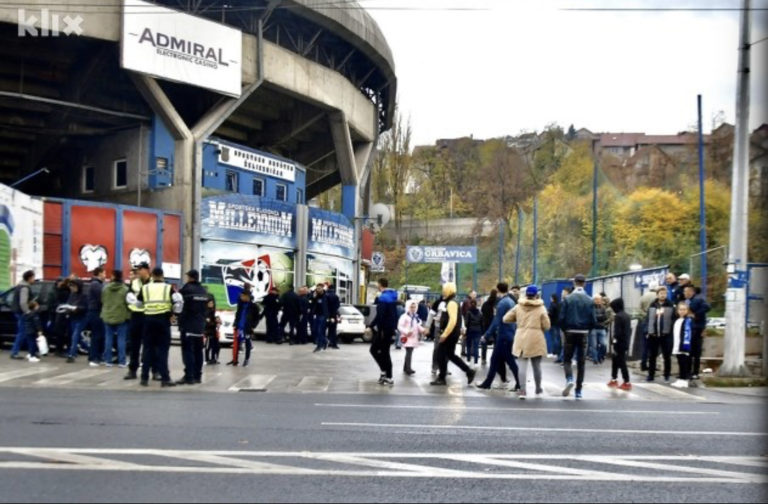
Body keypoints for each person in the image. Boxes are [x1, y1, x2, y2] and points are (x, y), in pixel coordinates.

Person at [138, 267, 183, 387]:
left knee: (147, 350)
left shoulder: (145, 288)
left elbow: (138, 303)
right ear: (163, 275)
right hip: (163, 321)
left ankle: (144, 378)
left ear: (152, 275)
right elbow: (178, 304)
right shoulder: (168, 288)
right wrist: (173, 313)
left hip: (148, 320)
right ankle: (165, 379)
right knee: (163, 350)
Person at [503, 285, 550, 399]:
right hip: (536, 339)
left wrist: (517, 320)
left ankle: (522, 391)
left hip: (521, 338)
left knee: (522, 366)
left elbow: (505, 318)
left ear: (526, 294)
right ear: (536, 295)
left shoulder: (518, 307)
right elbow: (547, 326)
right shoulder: (541, 308)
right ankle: (538, 389)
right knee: (536, 366)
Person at [558, 274, 597, 399]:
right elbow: (593, 320)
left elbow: (561, 318)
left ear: (574, 283)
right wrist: (588, 330)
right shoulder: (590, 300)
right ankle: (578, 391)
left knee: (567, 359)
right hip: (583, 333)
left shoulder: (568, 299)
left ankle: (569, 378)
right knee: (581, 363)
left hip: (570, 331)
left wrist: (564, 330)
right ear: (584, 284)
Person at [430, 282, 476, 386]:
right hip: (452, 334)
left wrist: (444, 334)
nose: (443, 291)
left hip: (450, 334)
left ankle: (442, 377)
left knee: (441, 354)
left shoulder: (451, 303)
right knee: (450, 355)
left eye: (444, 289)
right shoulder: (452, 302)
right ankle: (468, 371)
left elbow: (452, 320)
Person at [475, 282, 519, 390]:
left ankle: (519, 383)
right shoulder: (511, 302)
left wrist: (486, 335)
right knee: (495, 360)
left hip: (503, 336)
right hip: (509, 334)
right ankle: (487, 383)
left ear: (498, 290)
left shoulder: (502, 303)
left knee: (509, 361)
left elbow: (496, 321)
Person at [177, 270, 209, 385]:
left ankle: (189, 376)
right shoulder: (204, 291)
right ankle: (198, 376)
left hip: (188, 326)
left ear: (190, 278)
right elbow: (207, 308)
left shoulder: (186, 290)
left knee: (188, 352)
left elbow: (178, 305)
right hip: (200, 327)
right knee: (198, 352)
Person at [124, 264, 153, 380]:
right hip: (136, 316)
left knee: (150, 345)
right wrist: (131, 299)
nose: (137, 272)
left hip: (149, 315)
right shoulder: (135, 282)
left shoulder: (153, 283)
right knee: (134, 345)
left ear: (146, 270)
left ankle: (153, 370)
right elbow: (129, 295)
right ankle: (132, 370)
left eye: (139, 270)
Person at [369, 277, 398, 385]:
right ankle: (386, 375)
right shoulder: (392, 296)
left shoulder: (383, 298)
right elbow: (394, 315)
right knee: (385, 352)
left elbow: (380, 315)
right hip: (390, 329)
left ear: (380, 285)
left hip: (383, 329)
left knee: (374, 350)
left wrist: (374, 327)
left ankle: (386, 374)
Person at [100, 270, 130, 368]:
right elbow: (128, 303)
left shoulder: (105, 288)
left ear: (113, 276)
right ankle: (122, 361)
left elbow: (102, 300)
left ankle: (108, 360)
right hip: (121, 316)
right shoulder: (125, 289)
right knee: (121, 339)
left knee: (108, 338)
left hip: (107, 316)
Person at [646, 285, 675, 383]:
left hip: (665, 334)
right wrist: (648, 331)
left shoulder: (670, 304)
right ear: (657, 294)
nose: (663, 295)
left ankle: (667, 374)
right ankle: (651, 374)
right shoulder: (653, 304)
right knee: (652, 356)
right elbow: (648, 318)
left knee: (667, 356)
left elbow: (673, 318)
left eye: (664, 294)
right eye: (661, 293)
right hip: (653, 334)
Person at [684, 284, 711, 382]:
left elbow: (707, 307)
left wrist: (695, 314)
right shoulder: (686, 301)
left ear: (691, 292)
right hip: (689, 329)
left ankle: (695, 372)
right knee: (688, 352)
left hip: (697, 329)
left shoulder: (698, 300)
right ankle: (687, 372)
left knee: (696, 352)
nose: (684, 293)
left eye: (686, 291)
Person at [228, 289, 260, 366]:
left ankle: (247, 359)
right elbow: (238, 314)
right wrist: (235, 323)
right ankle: (235, 360)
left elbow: (257, 318)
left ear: (247, 297)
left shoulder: (254, 306)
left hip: (247, 328)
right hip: (239, 327)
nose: (241, 297)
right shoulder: (240, 304)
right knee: (236, 344)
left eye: (242, 296)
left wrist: (253, 326)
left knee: (247, 343)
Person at [9, 270, 36, 361]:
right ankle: (15, 352)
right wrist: (27, 311)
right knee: (23, 332)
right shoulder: (25, 288)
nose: (34, 280)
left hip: (18, 311)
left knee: (24, 332)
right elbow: (23, 302)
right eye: (33, 278)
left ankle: (31, 351)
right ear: (29, 278)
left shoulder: (20, 286)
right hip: (22, 313)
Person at [607, 297, 632, 391]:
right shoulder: (626, 315)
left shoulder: (618, 316)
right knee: (616, 361)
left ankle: (626, 381)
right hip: (625, 341)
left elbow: (617, 332)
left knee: (621, 362)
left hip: (619, 343)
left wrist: (613, 342)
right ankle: (614, 378)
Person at [85, 266, 106, 366]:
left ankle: (97, 355)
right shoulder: (96, 284)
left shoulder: (97, 284)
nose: (105, 276)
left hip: (96, 311)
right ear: (100, 273)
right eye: (104, 273)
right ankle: (93, 357)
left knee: (99, 335)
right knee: (97, 335)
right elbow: (103, 296)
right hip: (95, 311)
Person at [398, 299, 426, 375]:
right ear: (408, 307)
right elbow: (400, 326)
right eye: (411, 307)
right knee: (409, 352)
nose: (413, 309)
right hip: (407, 337)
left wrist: (423, 330)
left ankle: (406, 367)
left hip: (413, 337)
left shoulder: (415, 316)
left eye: (414, 307)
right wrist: (407, 331)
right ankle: (408, 368)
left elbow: (417, 326)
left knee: (409, 352)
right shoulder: (404, 316)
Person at [63, 279, 89, 363]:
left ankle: (72, 354)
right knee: (77, 337)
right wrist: (67, 309)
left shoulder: (84, 295)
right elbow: (68, 303)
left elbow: (85, 307)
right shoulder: (72, 295)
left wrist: (77, 309)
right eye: (71, 286)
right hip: (73, 317)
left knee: (75, 335)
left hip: (81, 318)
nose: (72, 288)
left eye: (74, 286)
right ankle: (90, 349)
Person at [671, 302, 694, 388]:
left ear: (687, 310)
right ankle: (681, 378)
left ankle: (684, 379)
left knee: (684, 362)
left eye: (684, 309)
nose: (682, 311)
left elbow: (688, 334)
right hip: (677, 344)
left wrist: (685, 345)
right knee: (680, 362)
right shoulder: (677, 320)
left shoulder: (688, 321)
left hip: (684, 345)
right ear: (677, 310)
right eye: (680, 309)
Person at [637, 283, 659, 372]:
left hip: (645, 322)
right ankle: (652, 364)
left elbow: (639, 309)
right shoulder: (657, 297)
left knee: (645, 345)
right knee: (654, 346)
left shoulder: (643, 296)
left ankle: (643, 364)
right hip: (655, 322)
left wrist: (646, 315)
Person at [51, 277, 72, 357]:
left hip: (59, 314)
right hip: (63, 314)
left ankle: (59, 350)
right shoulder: (66, 292)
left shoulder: (60, 290)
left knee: (60, 333)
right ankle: (60, 350)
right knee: (62, 333)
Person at [589, 294, 609, 365]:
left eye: (599, 299)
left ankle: (600, 356)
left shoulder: (603, 308)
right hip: (593, 328)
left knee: (604, 344)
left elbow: (605, 317)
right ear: (594, 300)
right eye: (596, 299)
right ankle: (595, 359)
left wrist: (597, 318)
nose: (598, 301)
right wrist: (599, 318)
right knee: (594, 345)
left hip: (602, 328)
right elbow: (592, 317)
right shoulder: (591, 307)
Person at [480, 289, 497, 366]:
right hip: (495, 326)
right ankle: (494, 358)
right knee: (496, 343)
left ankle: (483, 358)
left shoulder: (485, 304)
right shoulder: (497, 303)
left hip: (486, 325)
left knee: (484, 342)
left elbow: (482, 313)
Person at [311, 284, 329, 352]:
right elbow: (311, 303)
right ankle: (325, 341)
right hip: (317, 315)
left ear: (322, 288)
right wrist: (313, 297)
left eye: (319, 288)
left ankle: (319, 346)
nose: (318, 289)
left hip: (323, 315)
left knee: (320, 331)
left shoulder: (326, 296)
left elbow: (330, 306)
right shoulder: (316, 296)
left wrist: (329, 316)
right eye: (317, 288)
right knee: (315, 330)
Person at [464, 299, 483, 365]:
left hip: (470, 331)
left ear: (470, 304)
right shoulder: (480, 312)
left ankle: (468, 359)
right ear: (476, 304)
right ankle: (476, 361)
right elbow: (482, 323)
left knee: (469, 346)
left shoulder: (468, 312)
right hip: (478, 331)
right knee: (476, 346)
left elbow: (466, 323)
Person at [204, 296, 221, 365]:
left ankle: (213, 358)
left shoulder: (213, 311)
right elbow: (208, 323)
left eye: (212, 303)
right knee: (208, 346)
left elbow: (214, 320)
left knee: (216, 346)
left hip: (214, 331)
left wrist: (218, 321)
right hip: (209, 332)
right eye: (210, 303)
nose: (211, 304)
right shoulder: (206, 312)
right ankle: (207, 359)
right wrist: (215, 323)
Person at [325, 284, 341, 349]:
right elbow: (338, 306)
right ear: (333, 289)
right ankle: (333, 344)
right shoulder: (336, 296)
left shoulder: (326, 295)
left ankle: (326, 342)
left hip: (326, 315)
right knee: (333, 330)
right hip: (333, 315)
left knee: (325, 329)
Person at [547, 293, 561, 360]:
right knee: (557, 339)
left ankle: (553, 352)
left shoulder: (552, 305)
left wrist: (547, 312)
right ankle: (558, 353)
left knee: (553, 339)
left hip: (552, 323)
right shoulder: (559, 305)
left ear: (552, 298)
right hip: (558, 323)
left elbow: (550, 313)